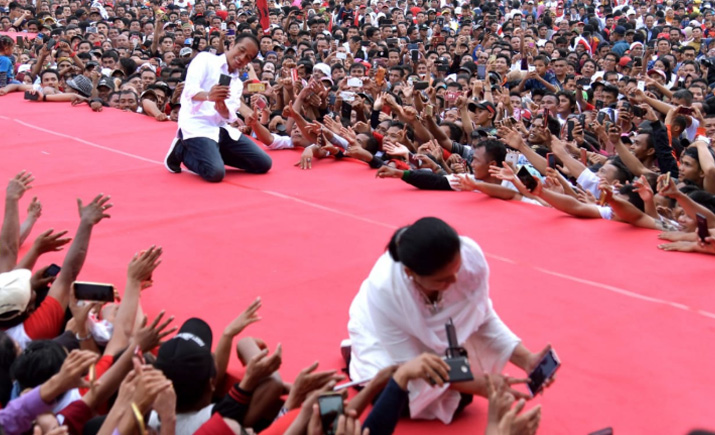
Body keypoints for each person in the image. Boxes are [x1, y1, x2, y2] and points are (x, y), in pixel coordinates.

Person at [347, 217, 551, 424]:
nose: (454, 280)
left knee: (459, 396)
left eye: (456, 269)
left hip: (438, 340)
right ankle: (355, 355)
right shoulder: (385, 291)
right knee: (394, 399)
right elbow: (409, 365)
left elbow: (479, 316)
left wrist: (526, 359)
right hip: (384, 339)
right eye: (442, 279)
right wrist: (483, 386)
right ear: (411, 274)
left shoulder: (470, 261)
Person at [163, 33, 272, 182]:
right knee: (215, 173)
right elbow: (189, 90)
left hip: (220, 128)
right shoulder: (205, 59)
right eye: (241, 50)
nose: (242, 58)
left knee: (263, 163)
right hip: (196, 125)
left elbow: (230, 115)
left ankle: (212, 153)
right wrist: (209, 95)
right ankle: (181, 150)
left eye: (248, 57)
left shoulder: (237, 83)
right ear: (232, 44)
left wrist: (221, 108)